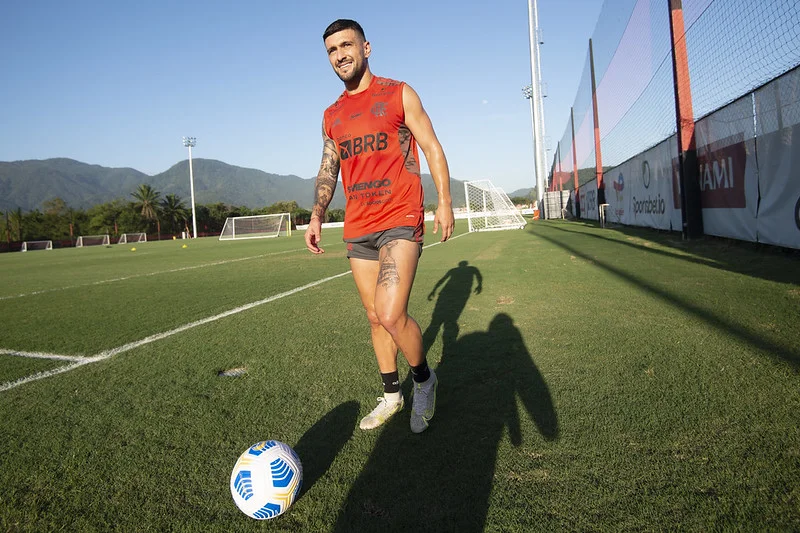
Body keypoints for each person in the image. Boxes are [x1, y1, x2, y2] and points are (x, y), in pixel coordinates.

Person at [305, 19, 455, 434]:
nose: (340, 55)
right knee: (374, 317)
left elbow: (432, 146)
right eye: (332, 50)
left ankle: (424, 380)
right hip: (358, 225)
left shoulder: (398, 93)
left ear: (366, 47)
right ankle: (391, 395)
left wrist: (444, 201)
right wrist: (317, 214)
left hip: (399, 218)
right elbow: (328, 168)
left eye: (346, 45)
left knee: (390, 313)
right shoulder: (332, 115)